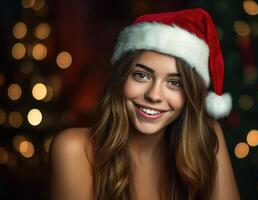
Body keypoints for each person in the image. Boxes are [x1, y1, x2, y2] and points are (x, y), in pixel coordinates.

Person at [50, 8, 240, 200]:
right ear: (122, 79)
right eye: (141, 75)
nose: (154, 95)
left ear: (190, 94)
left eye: (175, 83)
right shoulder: (73, 149)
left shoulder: (207, 138)